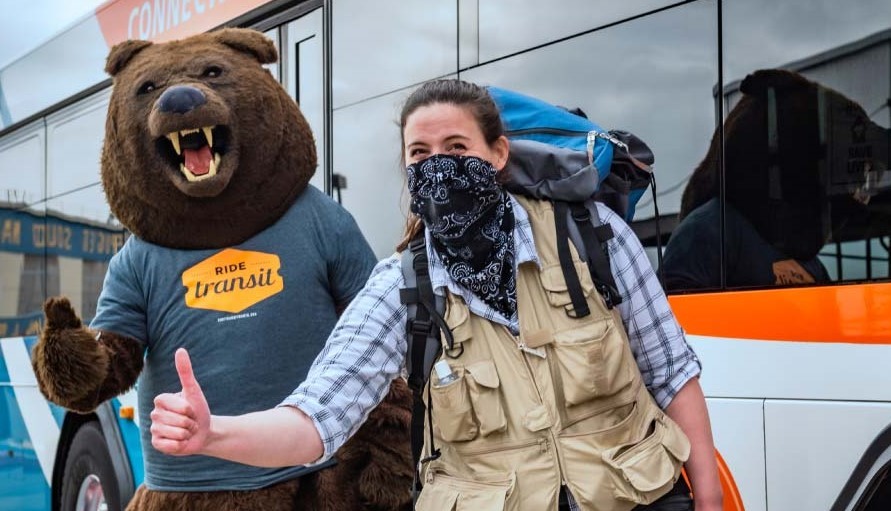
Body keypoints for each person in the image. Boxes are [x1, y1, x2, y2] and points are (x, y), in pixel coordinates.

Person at [150, 79, 723, 511]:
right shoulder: (399, 286)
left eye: (456, 146)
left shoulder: (592, 236)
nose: (439, 166)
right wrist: (214, 433)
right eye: (420, 154)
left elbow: (671, 374)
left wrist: (710, 499)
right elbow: (316, 421)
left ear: (498, 154)